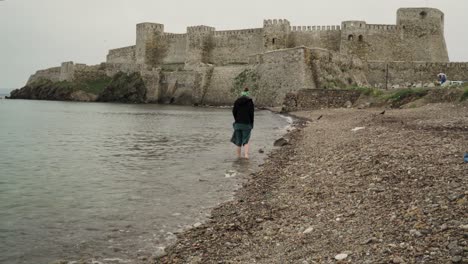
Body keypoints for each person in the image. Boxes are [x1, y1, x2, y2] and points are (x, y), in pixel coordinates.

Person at [231, 87, 254, 159]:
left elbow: (234, 112)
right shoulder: (250, 102)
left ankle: (238, 157)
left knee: (238, 141)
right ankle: (246, 155)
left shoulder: (237, 101)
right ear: (248, 94)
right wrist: (251, 123)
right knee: (245, 141)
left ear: (242, 93)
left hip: (238, 124)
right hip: (247, 124)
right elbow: (251, 113)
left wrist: (236, 119)